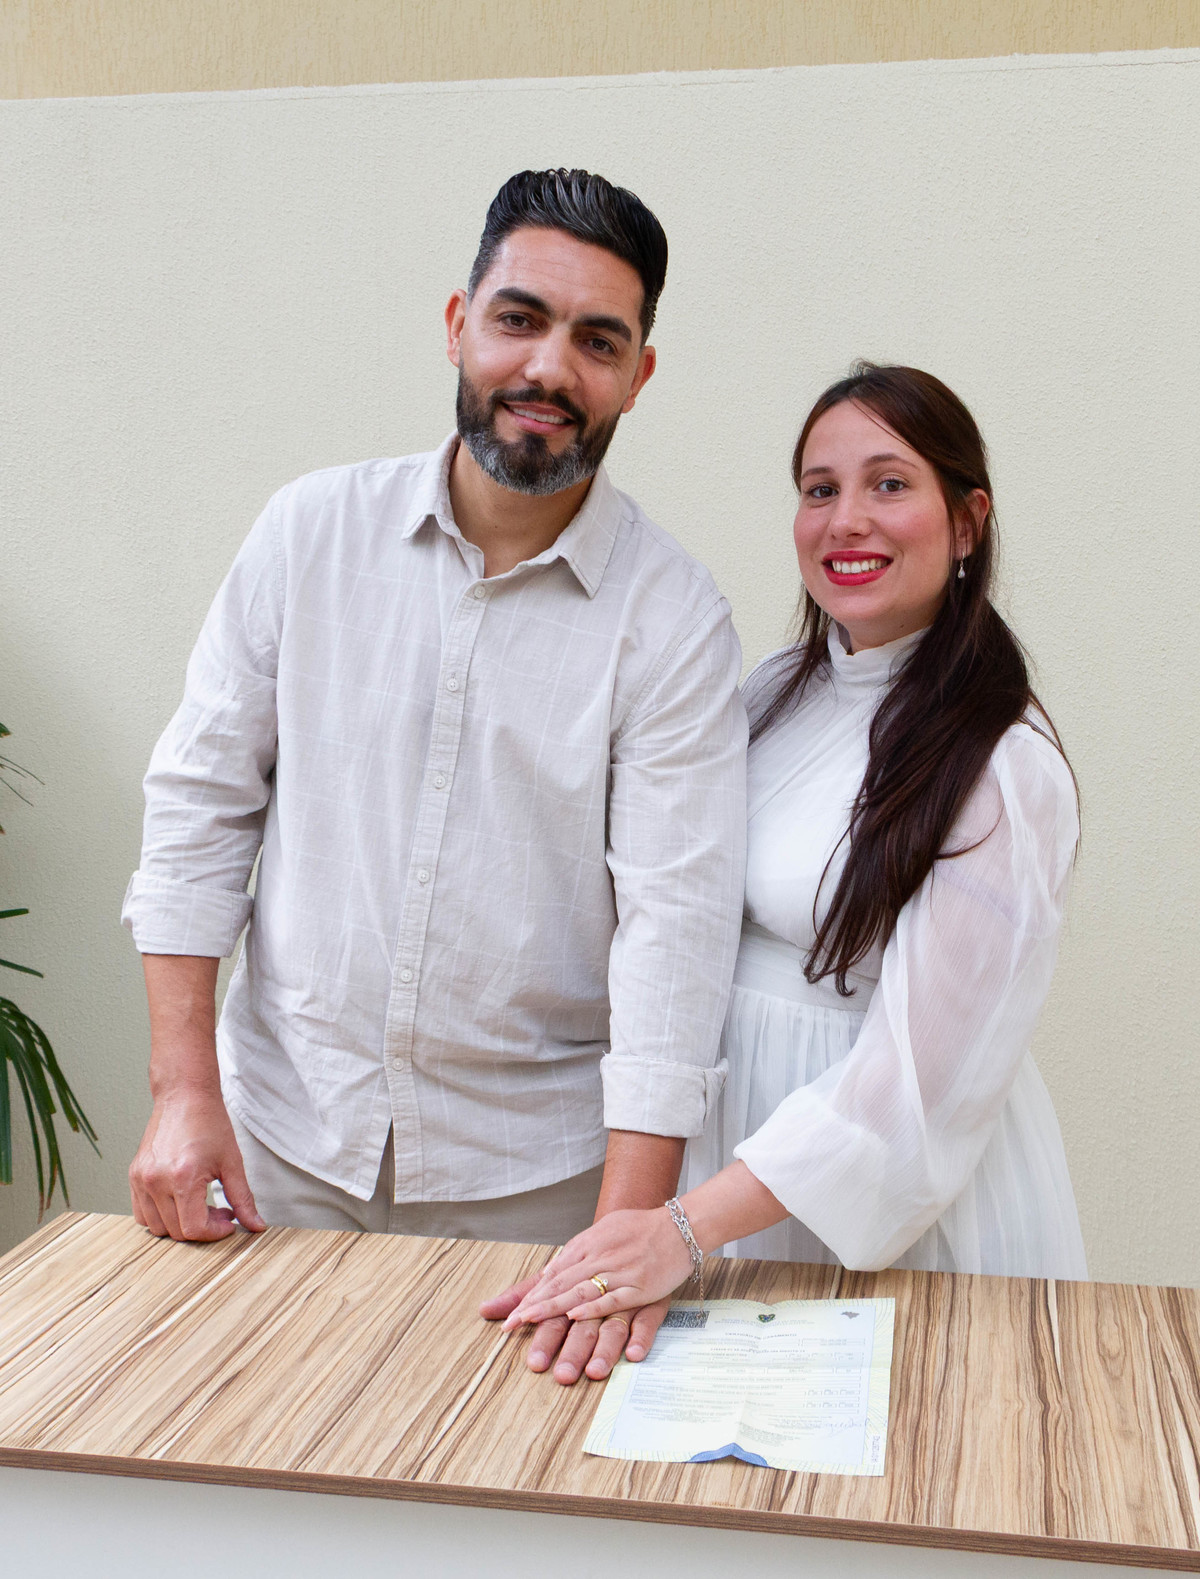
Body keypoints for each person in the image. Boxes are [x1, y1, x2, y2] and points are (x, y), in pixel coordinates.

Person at [122, 168, 747, 1387]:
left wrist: (626, 1233)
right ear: (459, 323)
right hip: (275, 1149)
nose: (549, 369)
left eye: (597, 341)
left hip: (530, 1191)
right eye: (520, 319)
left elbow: (674, 932)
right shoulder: (308, 533)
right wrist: (182, 1091)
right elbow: (200, 809)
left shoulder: (674, 620)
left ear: (638, 376)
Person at [502, 363, 1088, 1370]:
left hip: (883, 1207)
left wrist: (682, 1229)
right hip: (727, 1189)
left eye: (889, 484)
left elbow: (916, 1095)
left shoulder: (1004, 766)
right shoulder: (773, 694)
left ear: (967, 521)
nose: (846, 519)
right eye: (820, 489)